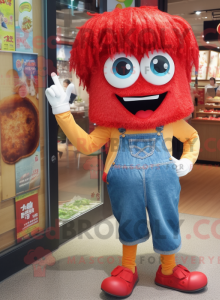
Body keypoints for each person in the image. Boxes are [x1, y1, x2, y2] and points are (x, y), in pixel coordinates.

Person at [45, 7, 207, 298]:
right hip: (122, 183)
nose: (140, 86)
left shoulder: (170, 121)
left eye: (159, 66)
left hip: (164, 179)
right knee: (128, 221)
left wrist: (186, 160)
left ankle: (168, 270)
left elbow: (192, 138)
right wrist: (62, 112)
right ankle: (128, 268)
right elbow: (86, 145)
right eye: (122, 68)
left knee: (166, 219)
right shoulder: (110, 126)